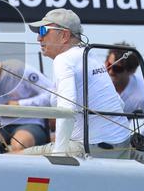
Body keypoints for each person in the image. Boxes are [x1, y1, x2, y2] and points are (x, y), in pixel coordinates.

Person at [19, 9, 132, 157]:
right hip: (122, 143)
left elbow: (67, 108)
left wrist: (59, 153)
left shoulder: (64, 59)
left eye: (43, 30)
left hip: (90, 149)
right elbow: (118, 102)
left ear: (64, 35)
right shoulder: (90, 53)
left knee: (12, 157)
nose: (39, 38)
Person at [105, 42, 144, 146]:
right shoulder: (96, 75)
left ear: (131, 71)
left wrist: (141, 143)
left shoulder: (142, 96)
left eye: (117, 69)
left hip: (114, 142)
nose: (110, 72)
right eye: (108, 65)